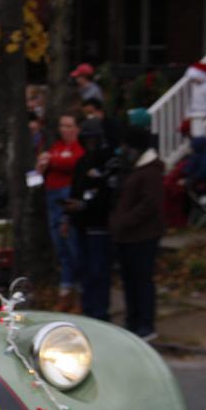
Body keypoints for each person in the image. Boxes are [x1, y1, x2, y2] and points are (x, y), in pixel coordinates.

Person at [110, 126, 165, 341]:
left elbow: (150, 204)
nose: (124, 150)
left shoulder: (150, 171)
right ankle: (132, 320)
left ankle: (146, 324)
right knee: (130, 281)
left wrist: (125, 220)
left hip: (144, 236)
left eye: (128, 146)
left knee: (142, 281)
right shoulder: (134, 169)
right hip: (128, 236)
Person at [64, 119, 120, 321]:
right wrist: (69, 212)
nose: (90, 144)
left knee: (99, 271)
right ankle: (87, 309)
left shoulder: (109, 162)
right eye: (86, 140)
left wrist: (85, 205)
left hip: (99, 226)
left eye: (93, 140)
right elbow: (76, 188)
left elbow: (107, 194)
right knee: (83, 269)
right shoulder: (83, 161)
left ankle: (100, 312)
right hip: (80, 224)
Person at [37, 113, 84, 312]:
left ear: (77, 128)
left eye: (69, 125)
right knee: (62, 252)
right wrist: (41, 165)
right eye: (62, 125)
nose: (64, 129)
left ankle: (82, 295)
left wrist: (52, 161)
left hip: (66, 202)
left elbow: (72, 163)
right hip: (51, 200)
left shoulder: (78, 148)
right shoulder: (57, 147)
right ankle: (65, 294)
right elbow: (42, 166)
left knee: (74, 250)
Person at [185, 62, 206, 138]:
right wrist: (188, 113)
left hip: (204, 112)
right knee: (194, 131)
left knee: (203, 132)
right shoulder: (195, 87)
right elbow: (192, 101)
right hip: (195, 112)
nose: (194, 80)